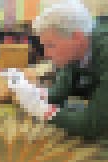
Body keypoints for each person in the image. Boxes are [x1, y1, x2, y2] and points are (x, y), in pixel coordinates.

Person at [32, 0, 108, 140]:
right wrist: (30, 94)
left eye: (51, 45)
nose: (46, 54)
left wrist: (42, 110)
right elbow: (58, 93)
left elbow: (92, 125)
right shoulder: (77, 48)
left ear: (77, 37)